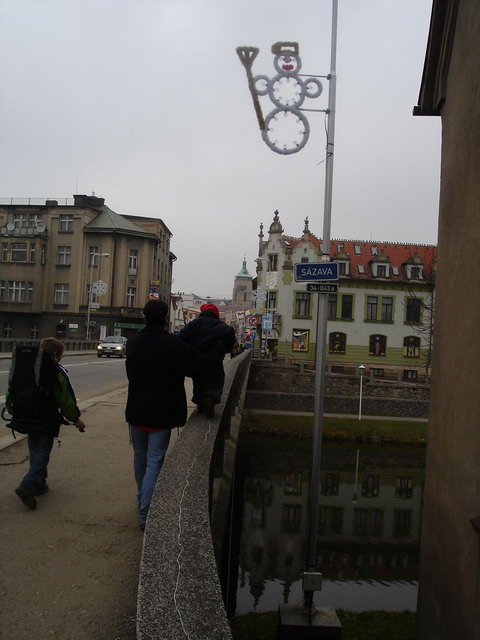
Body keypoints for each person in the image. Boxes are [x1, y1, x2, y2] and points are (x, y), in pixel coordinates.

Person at [125, 299, 212, 530]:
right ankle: (145, 512)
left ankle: (141, 496)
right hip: (162, 411)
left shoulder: (133, 342)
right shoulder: (174, 344)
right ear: (165, 317)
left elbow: (130, 372)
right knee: (155, 459)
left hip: (136, 408)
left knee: (140, 456)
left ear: (144, 316)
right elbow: (199, 366)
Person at [7, 337, 85, 510]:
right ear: (56, 354)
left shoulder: (24, 367)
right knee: (42, 453)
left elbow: (11, 391)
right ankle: (27, 485)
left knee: (35, 451)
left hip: (25, 416)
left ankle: (39, 485)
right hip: (46, 418)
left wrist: (14, 412)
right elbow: (65, 400)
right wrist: (76, 420)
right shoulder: (54, 371)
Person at [178, 303, 236, 418]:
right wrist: (223, 349)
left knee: (198, 382)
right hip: (215, 360)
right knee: (215, 381)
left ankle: (200, 405)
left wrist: (189, 351)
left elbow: (180, 339)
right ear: (216, 314)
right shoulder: (223, 327)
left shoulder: (193, 324)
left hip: (195, 360)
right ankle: (210, 396)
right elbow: (230, 340)